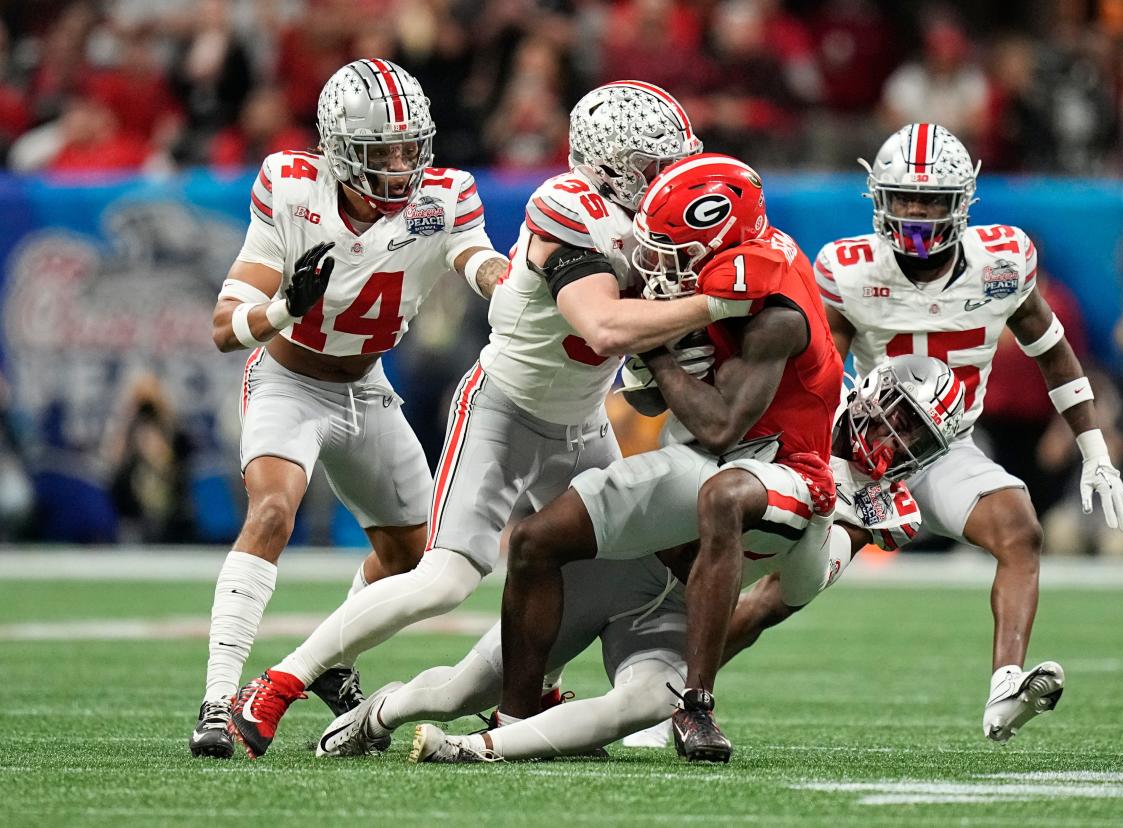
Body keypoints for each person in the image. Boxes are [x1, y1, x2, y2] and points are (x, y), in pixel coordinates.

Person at [228, 81, 742, 759]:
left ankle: (532, 694)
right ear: (610, 162)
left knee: (607, 565)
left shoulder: (658, 219)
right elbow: (604, 325)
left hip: (582, 421)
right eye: (655, 161)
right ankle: (283, 680)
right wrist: (714, 305)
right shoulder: (569, 205)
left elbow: (642, 372)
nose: (668, 174)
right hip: (502, 412)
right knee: (445, 579)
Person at [315, 356, 957, 762]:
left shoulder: (874, 514)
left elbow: (771, 602)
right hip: (628, 557)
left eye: (917, 438)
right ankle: (381, 712)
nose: (894, 439)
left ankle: (483, 747)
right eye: (896, 417)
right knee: (462, 687)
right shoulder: (797, 398)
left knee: (653, 698)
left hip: (680, 604)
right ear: (867, 394)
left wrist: (695, 670)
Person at [192, 57, 510, 759]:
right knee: (273, 512)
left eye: (408, 147)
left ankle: (333, 657)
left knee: (411, 557)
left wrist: (508, 281)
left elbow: (477, 259)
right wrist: (284, 308)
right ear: (338, 150)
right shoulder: (291, 185)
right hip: (287, 380)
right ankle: (218, 699)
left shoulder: (447, 196)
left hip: (367, 388)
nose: (400, 164)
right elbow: (224, 327)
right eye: (381, 151)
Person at [498, 153, 843, 763]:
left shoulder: (775, 314)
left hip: (781, 470)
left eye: (675, 251)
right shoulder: (731, 267)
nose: (661, 266)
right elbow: (654, 401)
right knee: (532, 542)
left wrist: (654, 347)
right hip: (699, 459)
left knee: (722, 497)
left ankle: (697, 706)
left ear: (720, 245)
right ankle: (514, 716)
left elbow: (717, 425)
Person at [815, 122, 1123, 743]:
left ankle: (1004, 687)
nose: (916, 211)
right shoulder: (850, 270)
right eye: (905, 196)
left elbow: (1055, 354)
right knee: (783, 592)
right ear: (879, 197)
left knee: (1020, 530)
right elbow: (822, 380)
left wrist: (1095, 450)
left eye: (931, 199)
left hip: (949, 447)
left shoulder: (1003, 263)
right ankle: (684, 695)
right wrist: (837, 458)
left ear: (962, 203)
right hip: (866, 454)